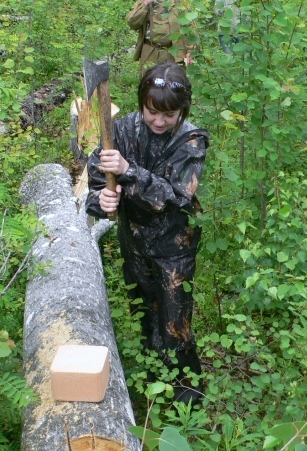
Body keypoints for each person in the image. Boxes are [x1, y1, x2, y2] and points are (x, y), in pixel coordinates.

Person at [86, 62, 208, 405]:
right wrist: (102, 197)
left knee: (175, 325)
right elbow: (93, 184)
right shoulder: (120, 132)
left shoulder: (192, 139)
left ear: (183, 111)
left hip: (174, 248)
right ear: (142, 103)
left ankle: (188, 399)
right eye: (152, 112)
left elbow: (174, 196)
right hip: (134, 242)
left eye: (169, 115)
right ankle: (153, 384)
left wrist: (127, 171)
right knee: (144, 315)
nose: (159, 121)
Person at [126, 0, 197, 77]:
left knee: (174, 82)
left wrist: (190, 50)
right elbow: (132, 23)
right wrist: (145, 3)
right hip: (150, 51)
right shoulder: (144, 2)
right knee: (149, 83)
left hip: (174, 52)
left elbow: (190, 27)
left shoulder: (180, 2)